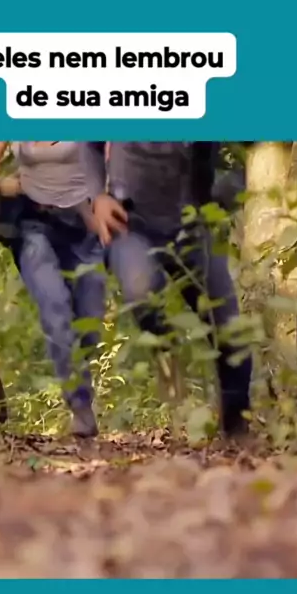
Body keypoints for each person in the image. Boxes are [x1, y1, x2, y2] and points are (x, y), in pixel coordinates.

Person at [80, 141, 252, 439]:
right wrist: (97, 197)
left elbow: (242, 158)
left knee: (231, 332)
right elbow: (87, 144)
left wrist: (225, 192)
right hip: (130, 221)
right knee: (141, 290)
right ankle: (166, 350)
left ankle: (237, 431)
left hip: (193, 225)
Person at [0, 142, 105, 438]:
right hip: (34, 224)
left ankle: (78, 375)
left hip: (84, 224)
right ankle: (80, 407)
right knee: (55, 307)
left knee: (90, 327)